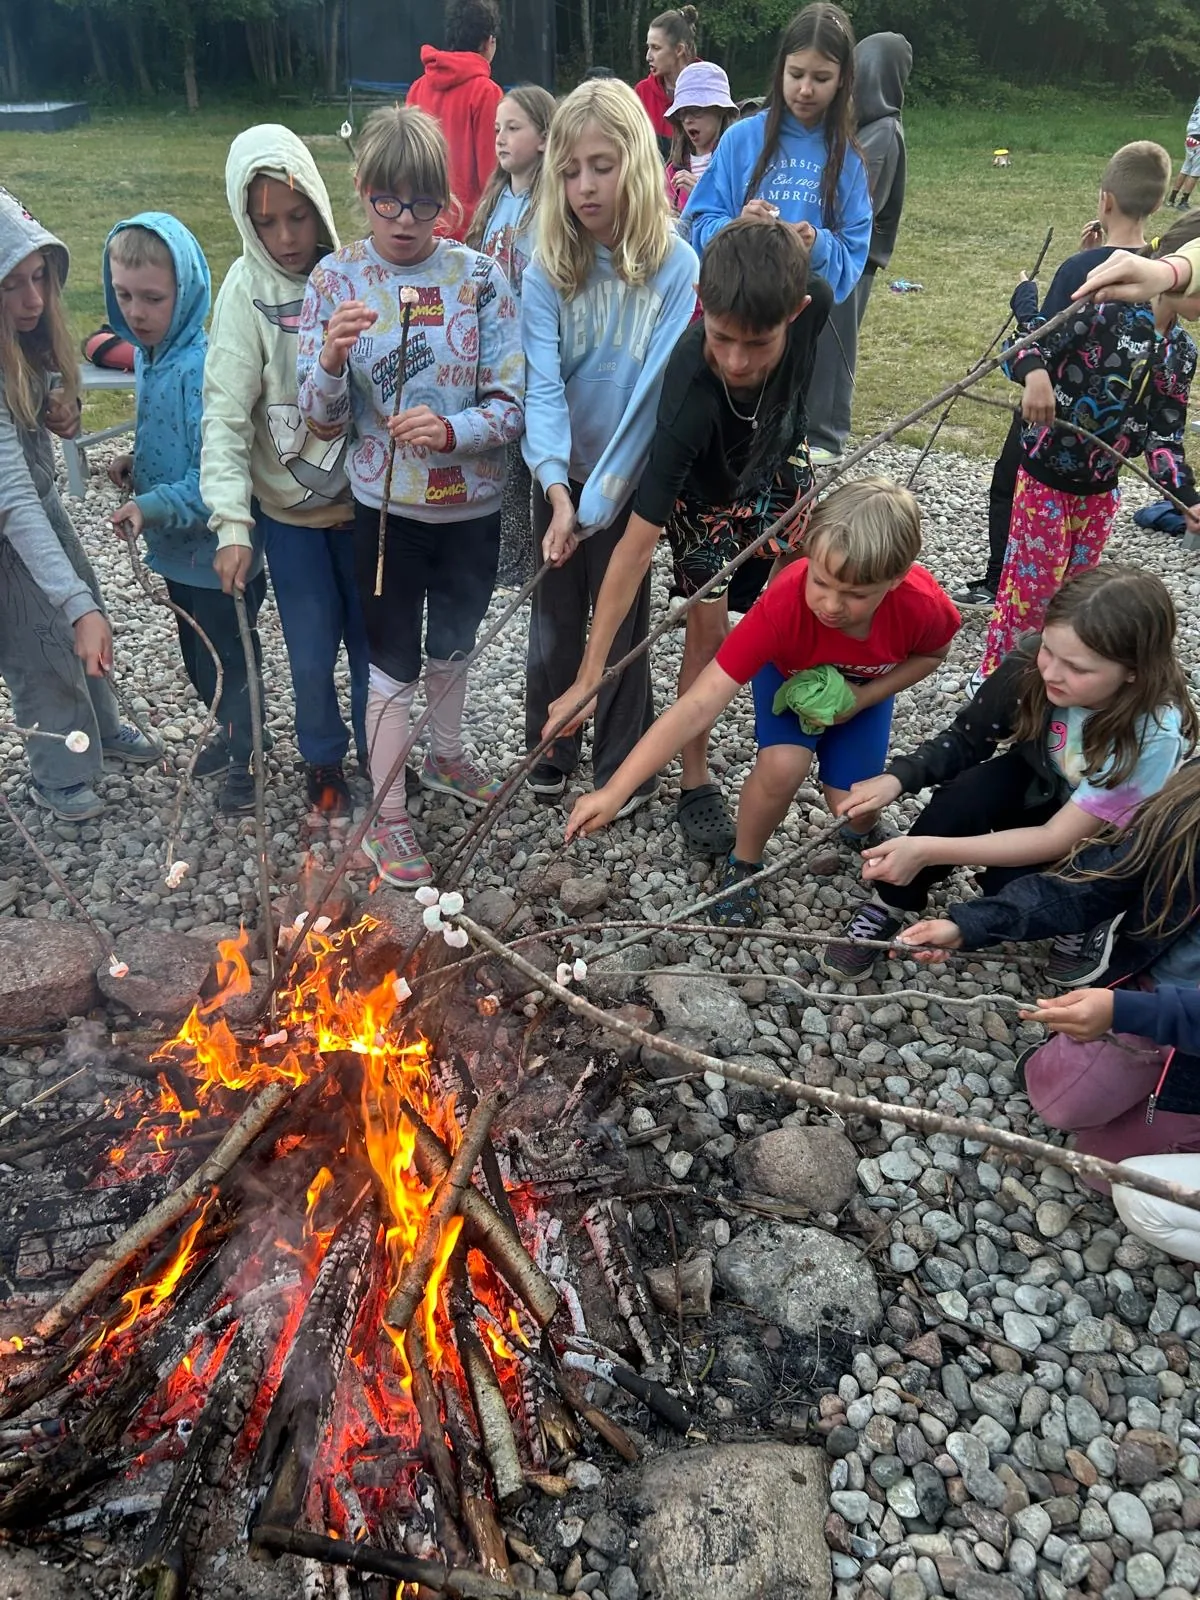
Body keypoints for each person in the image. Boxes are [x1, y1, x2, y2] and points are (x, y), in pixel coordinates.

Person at [543, 217, 829, 859]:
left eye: (758, 343)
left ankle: (801, 701)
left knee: (806, 588)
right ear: (702, 303)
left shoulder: (815, 304)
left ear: (796, 311)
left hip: (781, 457)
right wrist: (590, 674)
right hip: (706, 502)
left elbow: (809, 279)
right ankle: (694, 777)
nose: (736, 361)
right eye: (722, 338)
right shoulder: (689, 390)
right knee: (709, 630)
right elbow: (636, 545)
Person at [297, 105, 524, 887]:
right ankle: (387, 816)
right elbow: (320, 421)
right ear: (362, 190)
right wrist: (330, 359)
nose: (403, 220)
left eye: (423, 204)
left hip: (473, 509)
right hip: (388, 513)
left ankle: (446, 756)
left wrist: (454, 430)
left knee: (455, 646)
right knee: (391, 664)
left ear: (447, 201)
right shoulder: (335, 280)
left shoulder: (480, 279)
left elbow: (513, 406)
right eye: (386, 201)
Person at [565, 479, 960, 928]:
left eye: (855, 595)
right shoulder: (784, 605)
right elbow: (698, 704)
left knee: (854, 805)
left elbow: (933, 654)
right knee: (782, 766)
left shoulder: (921, 605)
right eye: (821, 581)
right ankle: (744, 862)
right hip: (788, 676)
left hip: (863, 691)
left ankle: (862, 831)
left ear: (896, 578)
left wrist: (864, 697)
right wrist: (614, 791)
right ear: (808, 555)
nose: (831, 605)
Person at [828, 566, 1197, 984]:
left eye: (1077, 668)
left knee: (1013, 887)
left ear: (1134, 670)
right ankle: (892, 899)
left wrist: (929, 850)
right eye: (1049, 650)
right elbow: (968, 740)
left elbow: (1058, 837)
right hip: (1046, 783)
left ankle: (1091, 916)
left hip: (1105, 836)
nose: (1052, 672)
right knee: (964, 794)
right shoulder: (1033, 663)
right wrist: (897, 778)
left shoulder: (1152, 735)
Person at [898, 761, 1200, 1251]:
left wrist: (1125, 1013)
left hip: (1167, 1026)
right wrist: (969, 925)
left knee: (1114, 1176)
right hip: (1149, 992)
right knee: (1061, 1102)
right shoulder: (1190, 804)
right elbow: (1096, 882)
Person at [520, 78, 699, 811]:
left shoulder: (677, 269)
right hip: (559, 474)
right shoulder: (546, 268)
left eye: (602, 166)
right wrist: (557, 490)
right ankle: (551, 741)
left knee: (621, 620)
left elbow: (653, 396)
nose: (586, 187)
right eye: (569, 172)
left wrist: (596, 505)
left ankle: (622, 764)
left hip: (632, 479)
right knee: (555, 616)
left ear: (638, 164)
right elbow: (541, 388)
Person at [201, 125, 368, 819]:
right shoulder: (244, 292)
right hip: (290, 519)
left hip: (367, 511)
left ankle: (384, 753)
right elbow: (224, 415)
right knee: (310, 649)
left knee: (377, 649)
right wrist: (231, 525)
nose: (287, 236)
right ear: (246, 221)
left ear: (319, 207)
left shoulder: (355, 273)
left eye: (298, 217)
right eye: (266, 222)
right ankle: (321, 759)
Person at [975, 217, 1200, 687]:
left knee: (1076, 600)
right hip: (1044, 480)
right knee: (1029, 594)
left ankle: (1052, 682)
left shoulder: (1182, 351)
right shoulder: (1104, 310)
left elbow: (1164, 436)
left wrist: (1186, 498)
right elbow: (1025, 345)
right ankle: (999, 683)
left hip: (1101, 492)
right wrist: (1036, 375)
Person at [954, 141, 1173, 608]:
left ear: (1105, 201)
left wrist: (1024, 298)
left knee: (1008, 485)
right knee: (1076, 530)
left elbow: (1040, 339)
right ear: (1156, 205)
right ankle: (1066, 600)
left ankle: (999, 581)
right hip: (1103, 445)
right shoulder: (1156, 272)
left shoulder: (1079, 270)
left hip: (1047, 421)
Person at [0, 188, 157, 821]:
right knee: (41, 643)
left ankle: (100, 728)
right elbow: (11, 500)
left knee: (86, 601)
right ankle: (60, 772)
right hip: (10, 526)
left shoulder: (24, 336)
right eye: (12, 285)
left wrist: (58, 410)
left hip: (38, 503)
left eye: (39, 277)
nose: (33, 299)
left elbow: (33, 405)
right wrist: (73, 607)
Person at [105, 216, 265, 817]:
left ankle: (248, 756)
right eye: (124, 295)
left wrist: (150, 505)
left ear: (188, 291)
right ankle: (234, 737)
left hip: (220, 552)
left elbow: (218, 477)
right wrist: (137, 463)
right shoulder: (152, 357)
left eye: (152, 298)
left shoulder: (200, 367)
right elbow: (169, 439)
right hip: (178, 554)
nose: (136, 312)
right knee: (199, 664)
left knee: (229, 665)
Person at [682, 4, 872, 307]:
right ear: (781, 69)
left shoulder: (848, 159)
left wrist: (816, 243)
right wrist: (739, 226)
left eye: (821, 78)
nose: (805, 89)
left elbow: (853, 257)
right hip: (736, 311)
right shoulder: (740, 140)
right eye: (796, 74)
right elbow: (695, 228)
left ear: (842, 79)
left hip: (806, 318)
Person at [805, 31, 911, 465]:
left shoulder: (884, 131)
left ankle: (828, 435)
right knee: (817, 335)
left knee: (835, 342)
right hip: (831, 250)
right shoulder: (863, 128)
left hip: (853, 257)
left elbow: (861, 199)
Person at [465, 84, 556, 588]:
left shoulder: (552, 204)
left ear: (544, 138)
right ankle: (497, 550)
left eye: (513, 128)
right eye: (497, 128)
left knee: (526, 453)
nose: (500, 137)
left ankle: (521, 559)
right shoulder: (496, 199)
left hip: (534, 351)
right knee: (495, 450)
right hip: (493, 349)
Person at [406, 0, 504, 233]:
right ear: (489, 41)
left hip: (420, 224)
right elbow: (492, 175)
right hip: (467, 232)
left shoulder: (417, 87)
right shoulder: (487, 93)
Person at [663, 60, 738, 214]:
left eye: (696, 110)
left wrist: (702, 196)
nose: (687, 120)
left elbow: (743, 221)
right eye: (682, 112)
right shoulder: (672, 170)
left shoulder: (737, 164)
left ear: (721, 110)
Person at [634, 7, 701, 153]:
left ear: (679, 50)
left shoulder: (709, 89)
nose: (648, 56)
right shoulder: (642, 93)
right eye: (648, 47)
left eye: (656, 48)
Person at [1166, 92, 1200, 209]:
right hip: (1198, 136)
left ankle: (1172, 198)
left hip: (1190, 134)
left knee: (1186, 168)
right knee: (1196, 172)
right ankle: (1183, 201)